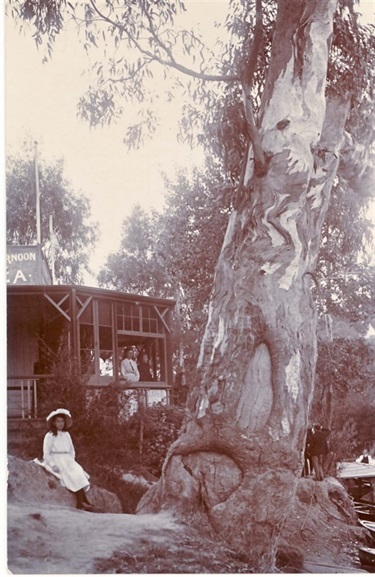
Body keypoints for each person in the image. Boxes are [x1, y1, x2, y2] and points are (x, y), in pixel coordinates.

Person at [37, 408, 93, 511]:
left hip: (68, 459)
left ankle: (84, 502)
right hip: (56, 459)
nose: (60, 424)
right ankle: (81, 502)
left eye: (62, 421)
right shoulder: (49, 436)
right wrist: (53, 465)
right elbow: (46, 454)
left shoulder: (67, 435)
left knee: (78, 472)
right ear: (53, 422)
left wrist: (71, 461)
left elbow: (72, 450)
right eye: (58, 421)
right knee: (69, 475)